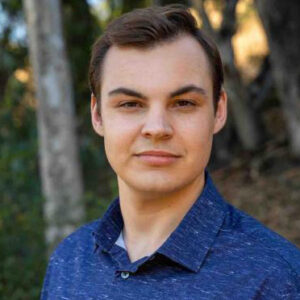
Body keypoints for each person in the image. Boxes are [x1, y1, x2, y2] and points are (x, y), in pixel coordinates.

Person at [41, 5, 300, 299]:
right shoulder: (70, 260)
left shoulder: (277, 278)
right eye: (130, 104)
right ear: (97, 115)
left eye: (183, 103)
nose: (157, 128)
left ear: (218, 111)